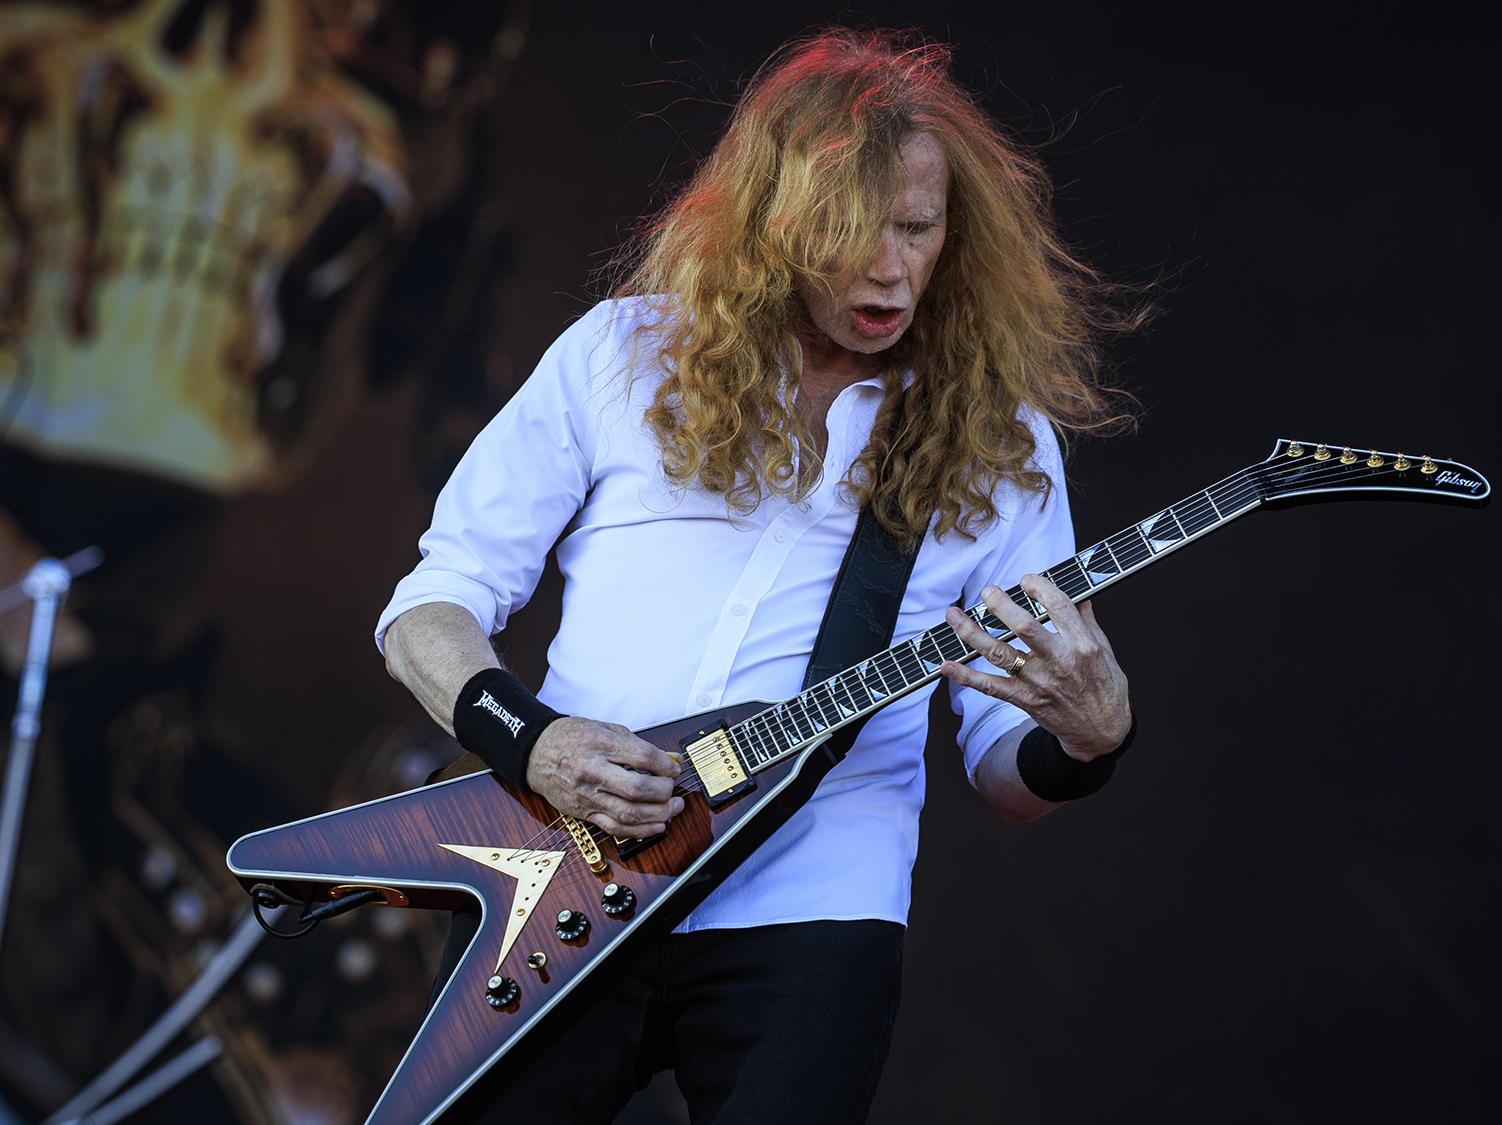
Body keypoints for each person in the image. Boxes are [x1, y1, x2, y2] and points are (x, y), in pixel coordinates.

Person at [377, 27, 1140, 1125]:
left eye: (916, 230)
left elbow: (1000, 773)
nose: (887, 269)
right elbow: (429, 608)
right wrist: (533, 744)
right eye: (844, 232)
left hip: (814, 914)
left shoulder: (996, 445)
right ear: (770, 227)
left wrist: (1084, 742)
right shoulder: (621, 356)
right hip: (560, 875)